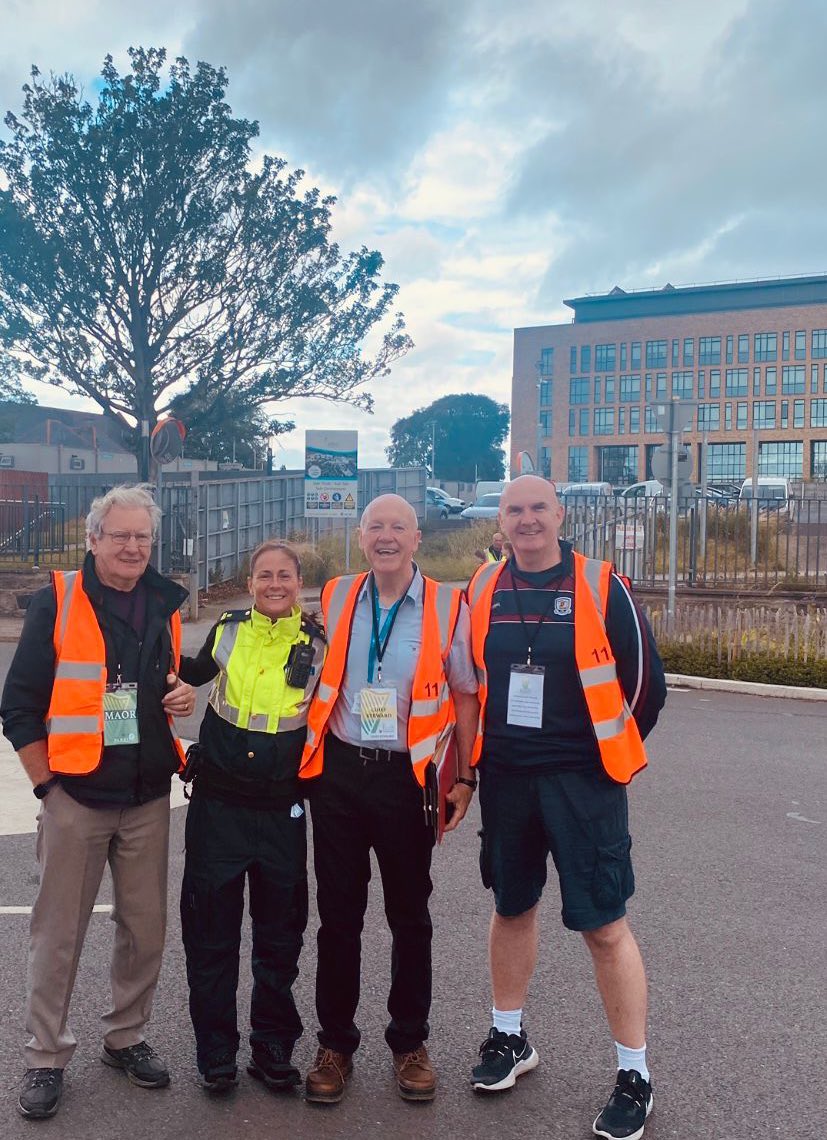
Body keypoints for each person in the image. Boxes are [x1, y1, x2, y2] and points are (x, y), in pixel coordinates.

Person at [464, 475, 666, 1140]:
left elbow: (645, 686)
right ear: (500, 521)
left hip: (583, 781)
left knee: (603, 925)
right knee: (510, 907)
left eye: (537, 509)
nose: (526, 521)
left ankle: (633, 1075)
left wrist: (598, 754)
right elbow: (470, 679)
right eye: (513, 510)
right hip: (507, 777)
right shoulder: (483, 587)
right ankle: (508, 1039)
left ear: (560, 515)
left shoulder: (600, 584)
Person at [0, 484, 196, 1121]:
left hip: (146, 797)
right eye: (121, 536)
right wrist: (46, 790)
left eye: (143, 536)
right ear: (93, 539)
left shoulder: (163, 602)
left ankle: (125, 1037)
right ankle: (45, 1056)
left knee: (144, 932)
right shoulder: (57, 601)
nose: (134, 546)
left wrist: (177, 697)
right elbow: (19, 706)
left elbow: (159, 683)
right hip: (76, 797)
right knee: (58, 935)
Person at [298, 493, 479, 1105]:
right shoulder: (337, 593)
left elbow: (465, 695)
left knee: (410, 917)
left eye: (397, 526)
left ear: (417, 538)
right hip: (341, 774)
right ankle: (335, 1045)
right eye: (375, 525)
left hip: (410, 778)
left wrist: (465, 776)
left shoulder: (448, 606)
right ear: (359, 534)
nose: (385, 536)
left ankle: (409, 1042)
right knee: (338, 918)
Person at [177, 541, 325, 1095]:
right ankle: (216, 1051)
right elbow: (185, 674)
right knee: (211, 935)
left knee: (279, 937)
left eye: (284, 575)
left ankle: (271, 1046)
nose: (274, 584)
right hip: (219, 805)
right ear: (251, 580)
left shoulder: (318, 644)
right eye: (265, 575)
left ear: (299, 581)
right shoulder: (228, 629)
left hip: (280, 808)